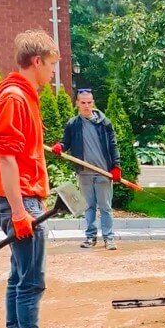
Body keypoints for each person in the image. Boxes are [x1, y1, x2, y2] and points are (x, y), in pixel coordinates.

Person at [0, 30, 77, 328]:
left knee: (18, 277)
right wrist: (21, 212)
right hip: (20, 201)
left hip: (21, 198)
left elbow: (19, 152)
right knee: (31, 282)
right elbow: (6, 158)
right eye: (53, 64)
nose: (54, 72)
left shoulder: (23, 96)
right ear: (37, 61)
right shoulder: (14, 97)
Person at [52, 89, 121, 250]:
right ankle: (90, 237)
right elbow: (65, 143)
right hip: (84, 173)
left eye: (89, 102)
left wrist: (116, 166)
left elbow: (113, 145)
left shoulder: (104, 123)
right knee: (89, 206)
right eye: (83, 102)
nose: (86, 106)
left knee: (105, 207)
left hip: (103, 172)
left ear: (93, 103)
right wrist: (59, 147)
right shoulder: (73, 124)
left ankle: (108, 238)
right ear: (77, 103)